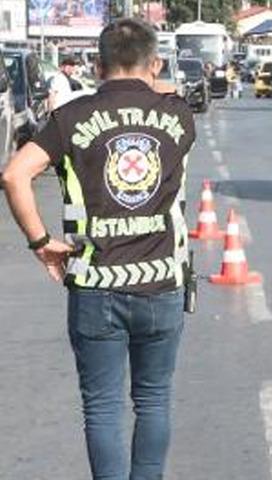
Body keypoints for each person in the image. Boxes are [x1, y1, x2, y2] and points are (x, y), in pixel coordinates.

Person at [2, 18, 195, 479]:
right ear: (155, 62)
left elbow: (14, 175)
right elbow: (161, 86)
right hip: (161, 281)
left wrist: (42, 242)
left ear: (96, 64)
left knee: (103, 407)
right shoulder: (178, 114)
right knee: (152, 400)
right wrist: (150, 74)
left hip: (94, 284)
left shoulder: (70, 118)